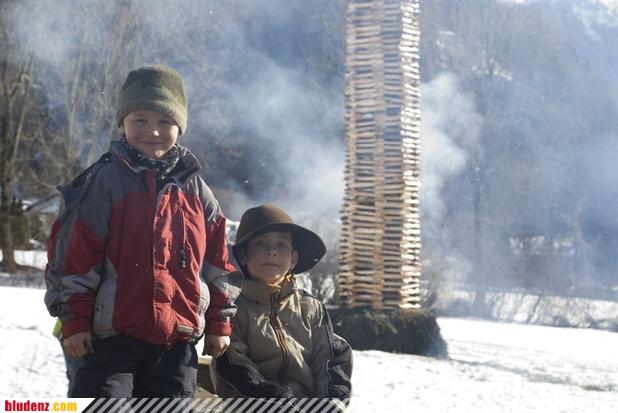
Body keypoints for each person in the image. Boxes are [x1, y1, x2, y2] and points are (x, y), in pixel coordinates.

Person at [44, 65, 240, 398]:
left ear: (180, 127)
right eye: (140, 120)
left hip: (176, 343)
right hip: (108, 341)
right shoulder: (104, 182)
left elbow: (220, 264)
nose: (153, 131)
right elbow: (76, 259)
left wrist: (220, 322)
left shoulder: (198, 192)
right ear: (123, 123)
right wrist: (74, 321)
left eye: (165, 121)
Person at [211, 203, 353, 403]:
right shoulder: (231, 309)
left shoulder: (310, 308)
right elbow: (237, 369)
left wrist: (329, 402)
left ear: (293, 259)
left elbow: (328, 360)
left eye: (281, 245)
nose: (271, 251)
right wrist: (278, 402)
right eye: (260, 243)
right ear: (242, 256)